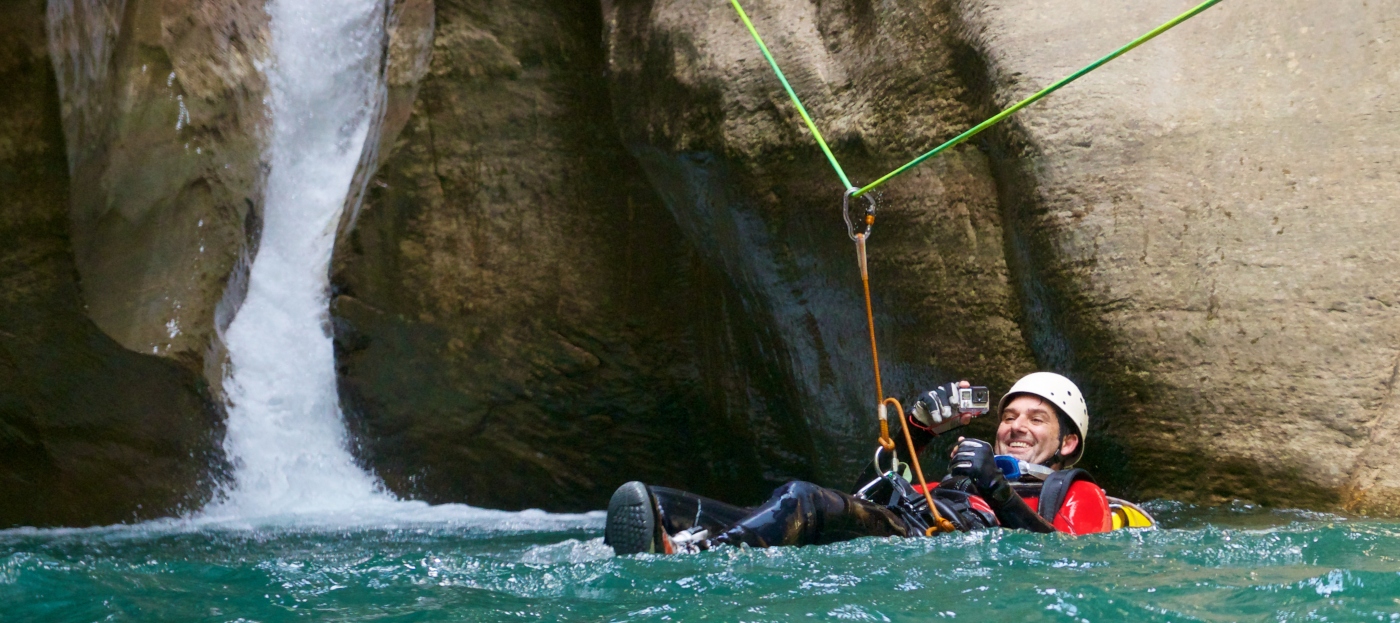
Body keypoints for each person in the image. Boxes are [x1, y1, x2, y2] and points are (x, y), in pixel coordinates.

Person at [604, 372, 1121, 555]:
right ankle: (666, 520)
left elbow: (1066, 558)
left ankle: (699, 555)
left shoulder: (1075, 492)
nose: (1016, 426)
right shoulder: (954, 480)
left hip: (931, 542)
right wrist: (917, 429)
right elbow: (867, 496)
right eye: (1009, 416)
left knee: (802, 499)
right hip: (916, 528)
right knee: (673, 504)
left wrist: (997, 488)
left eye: (1036, 419)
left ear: (1067, 444)